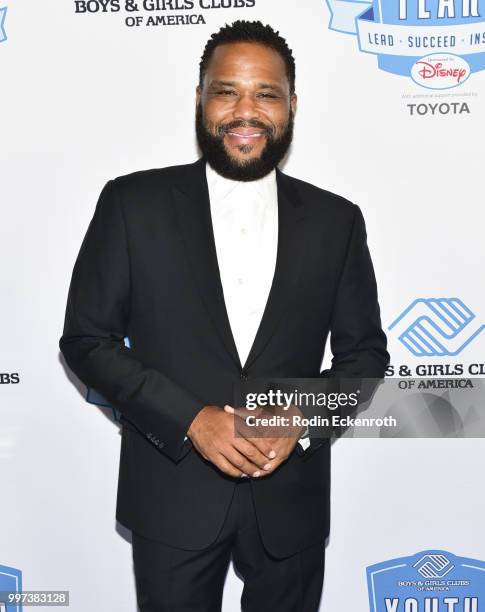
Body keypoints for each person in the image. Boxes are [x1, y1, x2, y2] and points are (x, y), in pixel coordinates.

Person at [59, 20, 389, 612]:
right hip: (172, 493)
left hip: (291, 502)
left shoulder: (337, 221)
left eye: (265, 93)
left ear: (292, 104)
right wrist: (191, 419)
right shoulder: (132, 204)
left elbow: (365, 354)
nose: (246, 110)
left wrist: (303, 415)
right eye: (226, 91)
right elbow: (87, 339)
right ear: (199, 99)